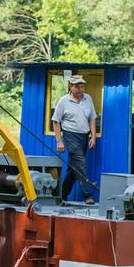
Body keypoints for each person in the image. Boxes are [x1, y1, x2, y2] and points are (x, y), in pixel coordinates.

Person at [51, 74, 97, 205]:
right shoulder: (63, 101)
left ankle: (62, 194)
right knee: (80, 163)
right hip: (70, 135)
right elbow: (55, 121)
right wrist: (59, 141)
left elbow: (92, 118)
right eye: (77, 86)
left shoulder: (88, 99)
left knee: (73, 168)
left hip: (84, 136)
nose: (81, 89)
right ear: (71, 87)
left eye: (82, 86)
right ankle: (87, 194)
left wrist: (93, 136)